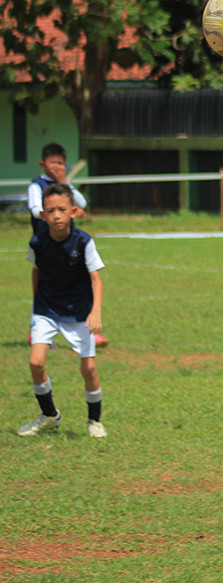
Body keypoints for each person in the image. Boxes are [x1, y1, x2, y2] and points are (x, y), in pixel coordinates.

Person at [18, 183, 107, 438]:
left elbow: (96, 279)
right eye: (50, 210)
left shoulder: (83, 241)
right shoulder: (37, 243)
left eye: (62, 209)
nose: (56, 215)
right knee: (35, 361)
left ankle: (94, 421)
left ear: (74, 212)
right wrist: (36, 310)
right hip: (46, 308)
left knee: (88, 369)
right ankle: (49, 415)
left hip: (79, 310)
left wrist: (95, 311)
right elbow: (36, 272)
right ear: (42, 215)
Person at [26, 143, 108, 348]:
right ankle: (36, 329)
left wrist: (65, 183)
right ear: (43, 164)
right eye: (53, 162)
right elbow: (35, 209)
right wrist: (54, 212)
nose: (57, 167)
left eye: (61, 163)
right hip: (47, 246)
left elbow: (81, 202)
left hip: (69, 245)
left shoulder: (64, 186)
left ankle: (88, 327)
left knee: (80, 284)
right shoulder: (36, 186)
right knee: (45, 287)